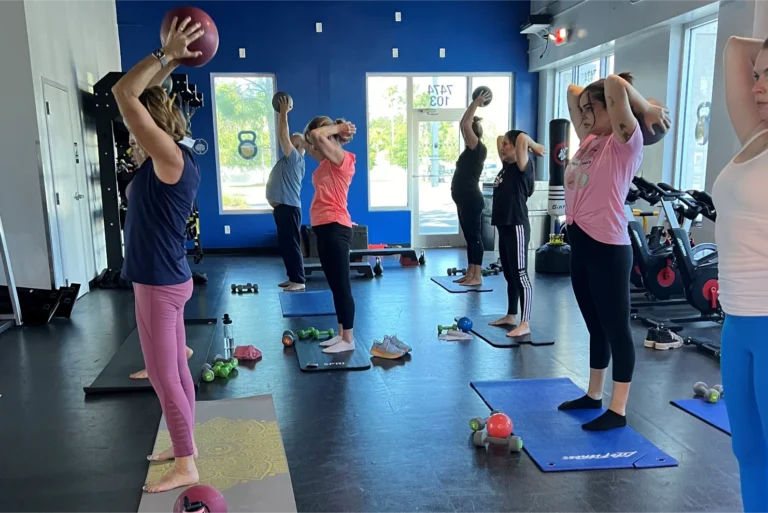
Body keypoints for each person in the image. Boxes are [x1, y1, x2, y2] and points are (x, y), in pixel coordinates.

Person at [112, 17, 205, 492]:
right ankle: (184, 443)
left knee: (163, 377)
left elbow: (125, 95)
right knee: (175, 371)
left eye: (135, 131)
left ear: (151, 129)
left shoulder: (169, 159)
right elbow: (144, 97)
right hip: (169, 279)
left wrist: (167, 53)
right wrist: (168, 64)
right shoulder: (177, 155)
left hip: (158, 283)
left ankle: (187, 463)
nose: (131, 137)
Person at [557, 73, 670, 431]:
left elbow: (614, 85)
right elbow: (572, 91)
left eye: (593, 108)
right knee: (595, 326)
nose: (585, 114)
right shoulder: (589, 138)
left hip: (608, 246)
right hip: (580, 243)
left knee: (616, 328)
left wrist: (646, 107)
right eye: (585, 110)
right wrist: (590, 102)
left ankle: (617, 410)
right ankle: (593, 395)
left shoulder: (625, 141)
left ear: (616, 110)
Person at [712, 36, 768, 513]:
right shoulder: (756, 135)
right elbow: (734, 48)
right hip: (737, 323)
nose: (759, 86)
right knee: (748, 450)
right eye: (759, 74)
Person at [304, 117, 358, 354]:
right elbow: (311, 141)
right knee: (335, 286)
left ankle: (349, 339)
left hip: (336, 226)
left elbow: (316, 136)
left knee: (342, 286)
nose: (316, 147)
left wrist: (339, 129)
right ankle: (340, 334)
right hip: (324, 227)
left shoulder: (342, 159)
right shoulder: (326, 161)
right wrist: (298, 139)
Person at [488, 130, 545, 337]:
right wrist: (505, 141)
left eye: (507, 144)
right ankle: (511, 315)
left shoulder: (524, 167)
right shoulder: (506, 167)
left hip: (517, 225)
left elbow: (521, 138)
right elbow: (499, 140)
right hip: (504, 226)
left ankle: (525, 322)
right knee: (509, 274)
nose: (502, 147)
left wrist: (534, 145)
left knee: (521, 274)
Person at [266, 95, 307, 292]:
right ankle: (293, 278)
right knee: (286, 245)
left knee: (291, 245)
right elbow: (283, 135)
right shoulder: (289, 160)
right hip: (284, 208)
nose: (288, 141)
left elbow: (283, 134)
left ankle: (298, 280)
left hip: (289, 208)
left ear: (298, 147)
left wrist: (283, 112)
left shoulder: (295, 159)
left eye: (292, 141)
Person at [451, 90, 491, 287]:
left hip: (471, 199)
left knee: (475, 237)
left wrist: (477, 102)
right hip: (464, 199)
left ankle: (477, 276)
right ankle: (470, 272)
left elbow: (465, 123)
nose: (464, 133)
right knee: (469, 237)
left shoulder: (478, 149)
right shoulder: (469, 150)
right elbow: (463, 125)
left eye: (467, 132)